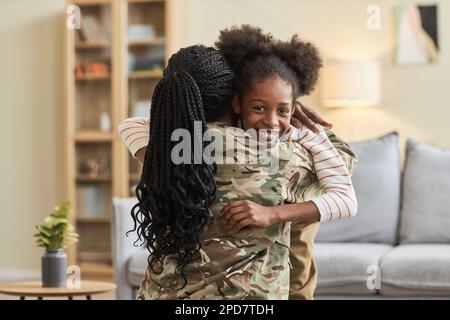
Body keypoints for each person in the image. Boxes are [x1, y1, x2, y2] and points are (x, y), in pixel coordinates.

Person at [119, 26, 357, 300]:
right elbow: (344, 162)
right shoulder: (278, 153)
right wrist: (292, 115)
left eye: (282, 109)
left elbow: (130, 126)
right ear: (233, 99)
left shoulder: (162, 146)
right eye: (258, 106)